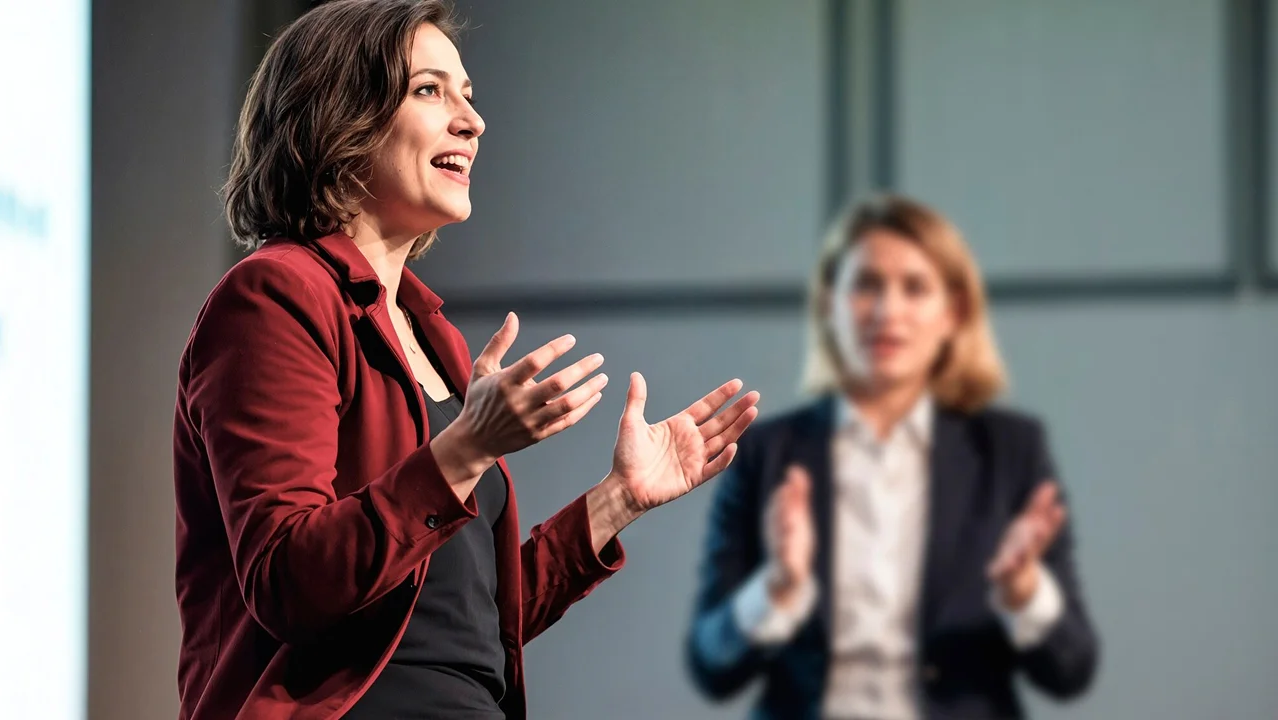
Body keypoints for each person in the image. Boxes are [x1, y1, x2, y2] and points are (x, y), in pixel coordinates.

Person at [171, 1, 760, 718]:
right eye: (430, 90)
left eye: (470, 96)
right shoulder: (276, 295)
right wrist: (467, 448)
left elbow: (467, 621)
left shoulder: (433, 337)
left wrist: (618, 500)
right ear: (337, 116)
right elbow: (289, 581)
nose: (473, 121)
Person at [685, 194, 1099, 719]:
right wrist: (777, 589)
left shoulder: (1011, 449)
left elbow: (1072, 668)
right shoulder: (765, 453)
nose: (887, 312)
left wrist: (1023, 593)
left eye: (915, 287)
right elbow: (711, 668)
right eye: (866, 285)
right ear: (829, 305)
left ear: (953, 313)